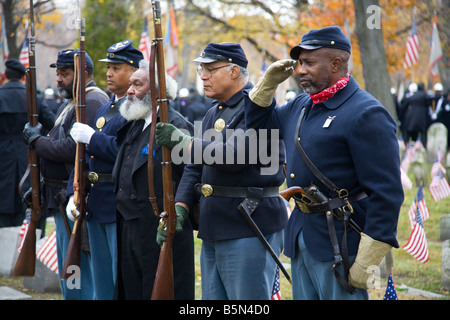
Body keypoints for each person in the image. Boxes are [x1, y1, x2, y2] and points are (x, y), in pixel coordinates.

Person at [244, 26, 403, 300]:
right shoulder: (301, 105)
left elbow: (387, 193)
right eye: (299, 63)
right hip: (302, 235)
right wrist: (267, 85)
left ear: (336, 63)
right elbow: (258, 127)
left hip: (341, 242)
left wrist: (367, 260)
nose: (300, 70)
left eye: (308, 63)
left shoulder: (366, 112)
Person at [155, 42, 287, 300]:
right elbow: (195, 167)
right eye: (201, 70)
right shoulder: (212, 112)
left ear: (235, 71)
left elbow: (234, 157)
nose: (202, 76)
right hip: (215, 223)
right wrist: (180, 206)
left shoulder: (258, 108)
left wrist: (183, 142)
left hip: (249, 223)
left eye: (210, 69)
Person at [22, 49, 109, 300]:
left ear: (83, 74)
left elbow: (74, 149)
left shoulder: (91, 101)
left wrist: (37, 142)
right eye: (58, 74)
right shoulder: (75, 100)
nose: (59, 79)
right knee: (70, 274)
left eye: (65, 73)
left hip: (73, 198)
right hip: (61, 197)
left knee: (77, 275)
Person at [112, 59, 195, 300]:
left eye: (137, 85)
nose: (129, 90)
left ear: (157, 91)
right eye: (130, 84)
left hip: (158, 227)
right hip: (129, 225)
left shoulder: (176, 125)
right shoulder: (136, 123)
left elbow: (191, 173)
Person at [66, 40, 140, 299]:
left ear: (133, 72)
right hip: (95, 199)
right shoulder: (106, 107)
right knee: (100, 276)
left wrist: (92, 138)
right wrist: (73, 192)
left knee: (117, 275)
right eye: (108, 67)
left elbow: (125, 151)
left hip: (116, 199)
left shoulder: (136, 109)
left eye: (116, 67)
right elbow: (82, 157)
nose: (109, 73)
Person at [0, 59, 54, 229]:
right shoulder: (34, 99)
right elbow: (53, 125)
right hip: (28, 157)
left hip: (3, 159)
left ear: (5, 76)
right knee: (27, 207)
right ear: (24, 77)